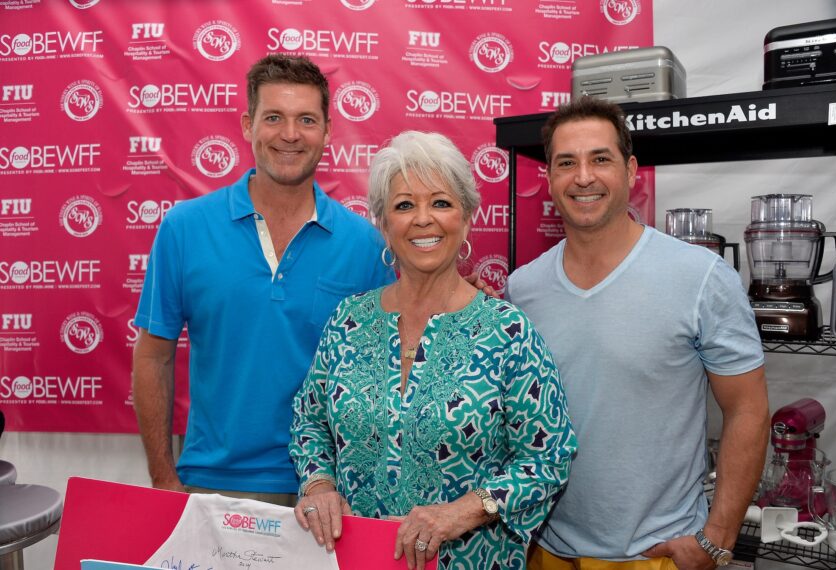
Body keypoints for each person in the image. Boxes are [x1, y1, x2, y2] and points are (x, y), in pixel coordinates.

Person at [288, 131, 577, 570]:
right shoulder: (348, 321)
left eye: (440, 203)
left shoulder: (508, 332)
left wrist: (465, 511)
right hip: (355, 559)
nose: (423, 219)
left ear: (467, 218)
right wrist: (319, 485)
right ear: (384, 225)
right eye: (404, 205)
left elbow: (549, 457)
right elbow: (309, 421)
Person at [508, 98, 769, 570]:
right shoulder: (523, 288)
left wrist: (718, 537)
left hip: (655, 554)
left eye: (600, 159)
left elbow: (747, 409)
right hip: (545, 549)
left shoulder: (700, 276)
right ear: (548, 178)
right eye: (566, 163)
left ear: (630, 171)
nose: (583, 177)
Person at [131, 54, 393, 505]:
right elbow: (153, 357)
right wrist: (163, 480)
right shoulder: (185, 228)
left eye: (306, 119)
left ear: (327, 131)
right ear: (247, 125)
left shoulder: (365, 245)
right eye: (274, 118)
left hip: (329, 491)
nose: (290, 134)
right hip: (214, 482)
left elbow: (390, 368)